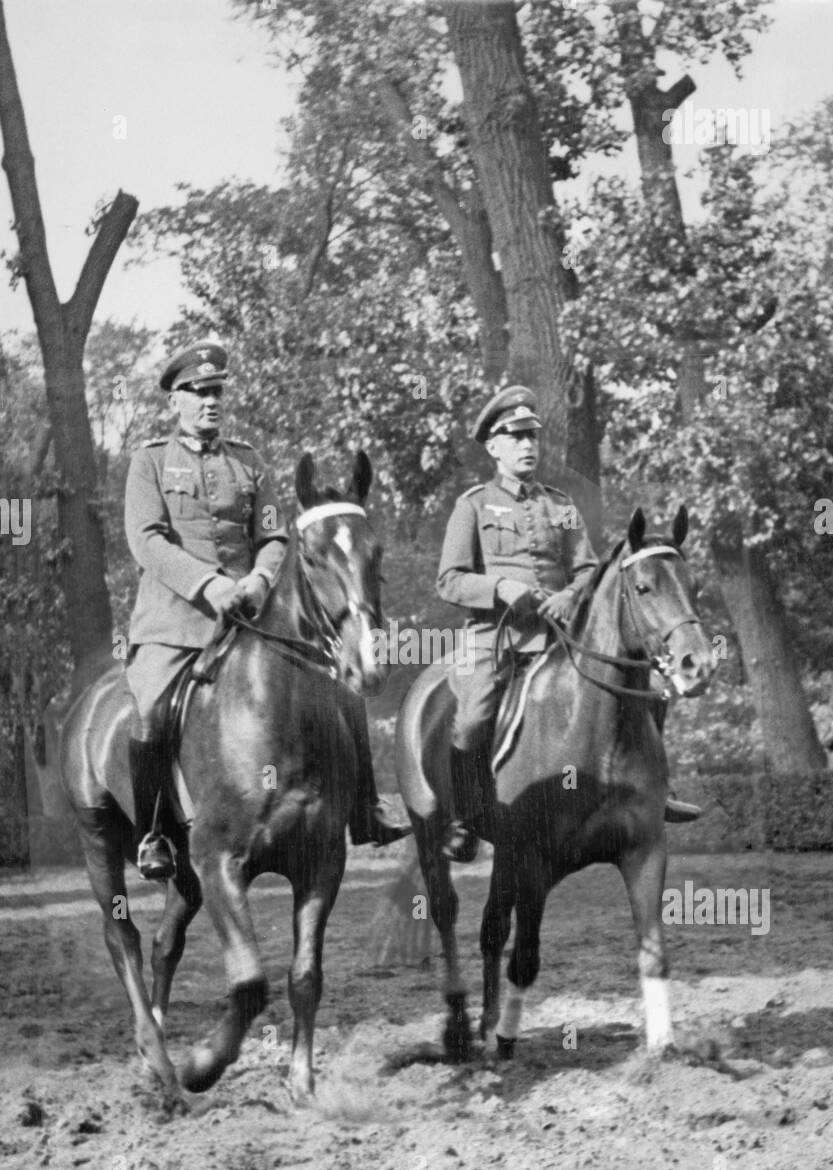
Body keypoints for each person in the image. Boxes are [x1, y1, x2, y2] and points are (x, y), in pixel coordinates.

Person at [124, 339, 409, 879]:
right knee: (151, 709)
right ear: (175, 401)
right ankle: (154, 834)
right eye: (199, 392)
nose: (211, 401)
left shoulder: (249, 462)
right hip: (176, 622)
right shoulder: (150, 462)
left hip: (255, 618)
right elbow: (147, 540)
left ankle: (365, 810)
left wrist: (258, 577)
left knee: (343, 689)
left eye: (217, 392)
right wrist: (210, 586)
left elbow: (275, 533)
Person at [436, 384, 698, 862]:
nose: (528, 446)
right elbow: (450, 581)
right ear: (493, 447)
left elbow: (587, 569)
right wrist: (502, 590)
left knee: (646, 682)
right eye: (515, 437)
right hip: (496, 639)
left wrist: (568, 595)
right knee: (473, 714)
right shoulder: (471, 506)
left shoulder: (560, 505)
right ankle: (465, 817)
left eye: (532, 436)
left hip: (562, 636)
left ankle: (656, 787)